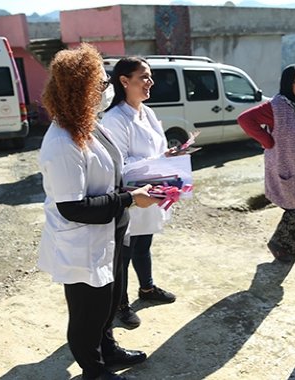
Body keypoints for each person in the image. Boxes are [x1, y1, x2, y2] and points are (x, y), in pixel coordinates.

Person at [37, 44, 161, 380]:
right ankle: (92, 368)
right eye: (102, 85)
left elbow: (113, 176)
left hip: (113, 233)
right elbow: (73, 207)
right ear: (81, 90)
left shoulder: (90, 125)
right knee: (87, 315)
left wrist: (133, 193)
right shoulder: (62, 142)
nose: (107, 91)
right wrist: (128, 200)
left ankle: (108, 349)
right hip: (84, 242)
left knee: (107, 306)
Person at [101, 57, 178, 329]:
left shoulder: (147, 111)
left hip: (152, 191)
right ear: (124, 81)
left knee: (144, 244)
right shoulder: (114, 119)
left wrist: (168, 155)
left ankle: (146, 289)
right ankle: (119, 304)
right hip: (131, 196)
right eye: (144, 77)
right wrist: (158, 164)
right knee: (124, 251)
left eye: (150, 76)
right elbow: (119, 165)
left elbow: (153, 150)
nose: (150, 82)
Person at [237, 63, 295, 263]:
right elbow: (245, 119)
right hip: (293, 170)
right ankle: (279, 243)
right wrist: (268, 141)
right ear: (288, 83)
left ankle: (292, 245)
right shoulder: (277, 106)